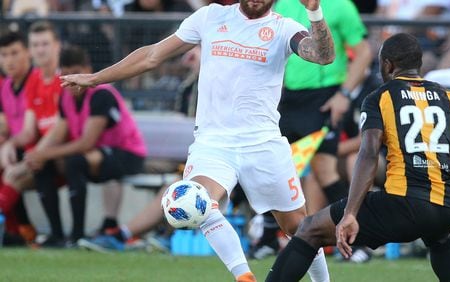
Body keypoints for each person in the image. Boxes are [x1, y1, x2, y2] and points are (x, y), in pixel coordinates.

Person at [61, 0, 334, 281]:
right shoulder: (209, 17)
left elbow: (323, 56)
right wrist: (96, 78)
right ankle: (244, 277)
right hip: (213, 144)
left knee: (300, 228)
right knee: (197, 201)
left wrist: (314, 11)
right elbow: (152, 55)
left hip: (263, 144)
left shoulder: (285, 28)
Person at [265, 33, 450, 282]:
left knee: (310, 229)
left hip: (403, 203)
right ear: (419, 64)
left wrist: (350, 213)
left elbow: (369, 152)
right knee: (439, 234)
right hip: (447, 207)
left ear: (388, 65)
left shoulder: (381, 97)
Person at [248, 0, 372, 259]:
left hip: (323, 98)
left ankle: (357, 241)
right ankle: (270, 239)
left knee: (324, 169)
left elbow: (363, 53)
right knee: (274, 167)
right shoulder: (280, 4)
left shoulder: (340, 5)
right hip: (289, 98)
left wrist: (344, 95)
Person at [25, 45, 147, 247]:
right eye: (65, 74)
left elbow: (86, 143)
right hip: (99, 155)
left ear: (87, 69)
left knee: (75, 162)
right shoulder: (65, 98)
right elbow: (59, 131)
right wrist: (37, 155)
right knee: (45, 166)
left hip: (128, 155)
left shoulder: (101, 94)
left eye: (75, 73)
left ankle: (77, 235)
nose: (71, 80)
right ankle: (56, 235)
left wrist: (45, 153)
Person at [0, 30, 37, 245]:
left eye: (14, 53)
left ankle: (20, 232)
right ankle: (18, 232)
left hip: (40, 151)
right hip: (18, 150)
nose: (9, 60)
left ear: (27, 53)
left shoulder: (37, 80)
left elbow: (31, 131)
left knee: (11, 172)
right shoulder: (5, 85)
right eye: (4, 55)